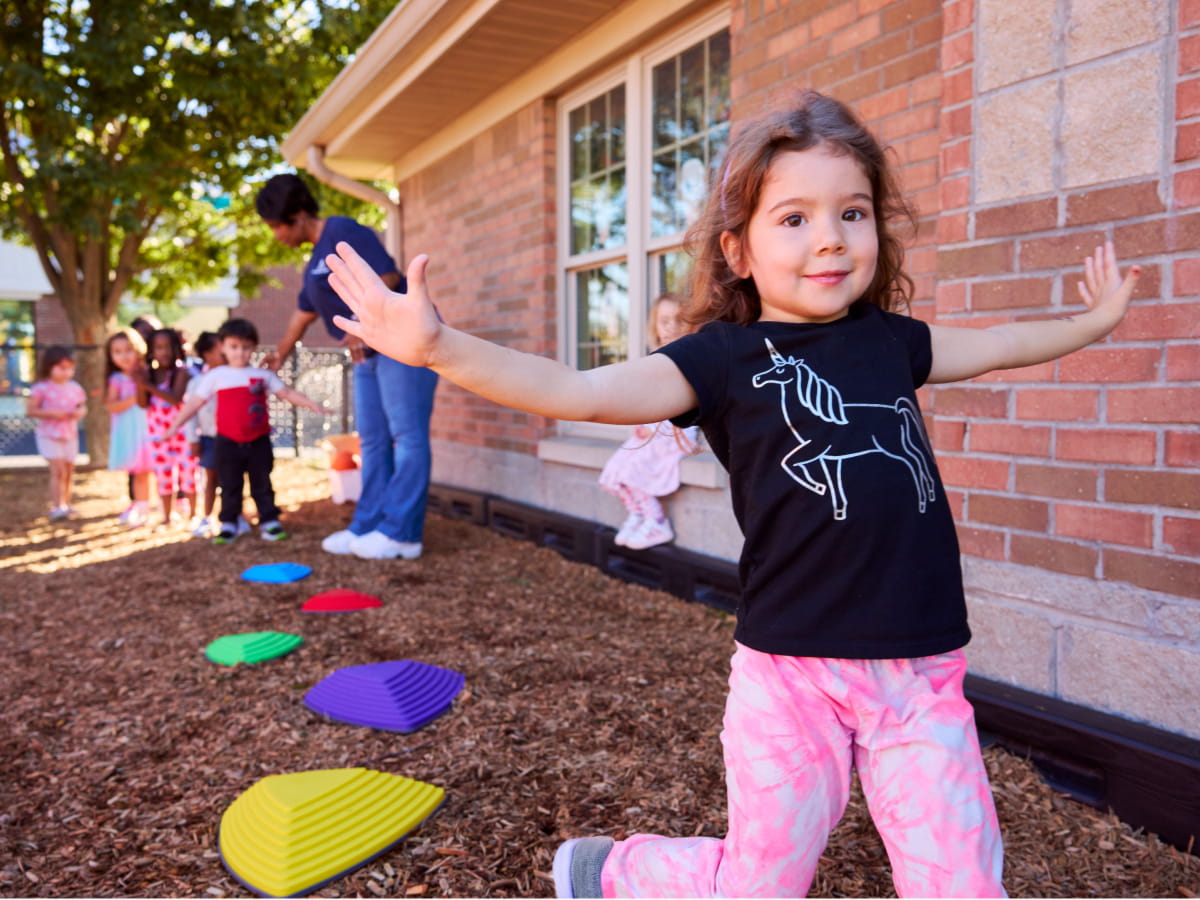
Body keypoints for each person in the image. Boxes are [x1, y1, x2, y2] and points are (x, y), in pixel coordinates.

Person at [322, 91, 1143, 898]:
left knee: (961, 883)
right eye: (794, 219)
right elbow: (578, 390)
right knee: (762, 883)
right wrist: (438, 347)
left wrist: (1093, 323)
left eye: (852, 213)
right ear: (739, 250)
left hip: (920, 672)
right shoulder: (721, 359)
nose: (830, 239)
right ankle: (617, 872)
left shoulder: (893, 343)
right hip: (791, 671)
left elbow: (1001, 343)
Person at [255, 172, 438, 561]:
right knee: (371, 439)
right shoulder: (312, 263)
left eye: (275, 225)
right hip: (369, 353)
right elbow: (302, 314)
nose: (275, 236)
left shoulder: (342, 231)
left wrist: (362, 319)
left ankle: (403, 533)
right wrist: (281, 354)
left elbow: (386, 277)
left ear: (299, 215)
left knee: (406, 437)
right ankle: (368, 523)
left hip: (403, 345)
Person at [161, 318, 333, 545]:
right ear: (223, 347)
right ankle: (229, 524)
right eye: (234, 347)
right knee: (230, 484)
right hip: (227, 441)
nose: (240, 353)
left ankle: (269, 521)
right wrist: (174, 427)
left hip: (258, 440)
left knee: (262, 483)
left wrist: (311, 404)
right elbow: (194, 404)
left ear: (253, 347)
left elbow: (287, 393)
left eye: (246, 347)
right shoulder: (216, 377)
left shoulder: (263, 376)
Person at [598, 293, 700, 549]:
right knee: (618, 465)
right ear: (654, 325)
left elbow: (681, 401)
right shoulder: (658, 357)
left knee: (636, 469)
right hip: (655, 429)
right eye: (664, 320)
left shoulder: (690, 356)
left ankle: (657, 521)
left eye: (679, 319)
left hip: (676, 431)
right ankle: (639, 514)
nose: (672, 327)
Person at [143, 328, 198, 528]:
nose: (164, 351)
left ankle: (193, 515)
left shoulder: (182, 372)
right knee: (163, 475)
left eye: (168, 347)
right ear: (151, 350)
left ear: (177, 348)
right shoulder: (148, 374)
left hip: (182, 432)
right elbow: (142, 403)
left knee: (189, 474)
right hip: (158, 434)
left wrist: (147, 385)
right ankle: (167, 516)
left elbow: (175, 398)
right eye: (158, 347)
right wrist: (142, 383)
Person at [27, 345, 87, 520]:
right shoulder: (41, 388)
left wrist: (80, 413)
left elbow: (82, 407)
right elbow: (31, 410)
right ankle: (56, 506)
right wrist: (53, 413)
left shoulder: (75, 387)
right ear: (50, 366)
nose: (66, 372)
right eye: (62, 368)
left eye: (70, 368)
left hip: (70, 434)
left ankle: (67, 504)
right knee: (58, 470)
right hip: (49, 435)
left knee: (68, 470)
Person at [103, 329, 153, 527]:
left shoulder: (149, 372)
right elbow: (111, 405)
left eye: (128, 350)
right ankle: (142, 510)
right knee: (139, 472)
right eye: (117, 351)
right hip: (130, 431)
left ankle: (170, 508)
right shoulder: (116, 379)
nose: (123, 356)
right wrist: (136, 397)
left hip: (151, 427)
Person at [185, 331, 224, 537]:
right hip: (209, 437)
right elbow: (190, 413)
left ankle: (233, 517)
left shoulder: (232, 377)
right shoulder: (197, 383)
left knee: (232, 479)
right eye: (220, 349)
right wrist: (193, 438)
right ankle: (207, 517)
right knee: (210, 479)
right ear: (207, 354)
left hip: (232, 438)